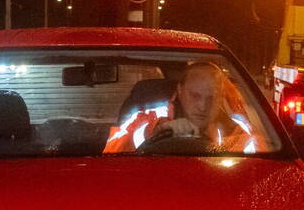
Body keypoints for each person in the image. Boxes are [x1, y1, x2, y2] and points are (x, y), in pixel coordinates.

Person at [103, 61, 256, 153]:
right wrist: (156, 130)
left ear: (221, 97)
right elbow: (112, 149)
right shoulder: (149, 116)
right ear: (180, 91)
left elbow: (256, 171)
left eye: (212, 98)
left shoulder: (236, 132)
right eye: (195, 96)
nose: (203, 106)